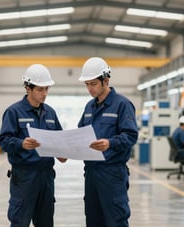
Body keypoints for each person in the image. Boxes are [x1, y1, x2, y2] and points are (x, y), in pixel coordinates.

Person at [0, 64, 66, 227]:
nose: (44, 94)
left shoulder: (50, 113)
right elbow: (4, 140)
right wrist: (22, 144)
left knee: (45, 222)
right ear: (28, 88)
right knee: (20, 221)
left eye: (46, 89)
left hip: (47, 176)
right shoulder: (14, 112)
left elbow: (59, 138)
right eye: (40, 89)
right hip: (24, 176)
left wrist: (62, 152)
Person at [77, 57, 138, 227]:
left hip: (112, 173)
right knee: (93, 219)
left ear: (106, 80)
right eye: (87, 84)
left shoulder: (122, 105)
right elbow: (80, 133)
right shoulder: (89, 107)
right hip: (91, 173)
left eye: (93, 84)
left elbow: (131, 135)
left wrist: (110, 143)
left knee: (115, 220)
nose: (89, 88)